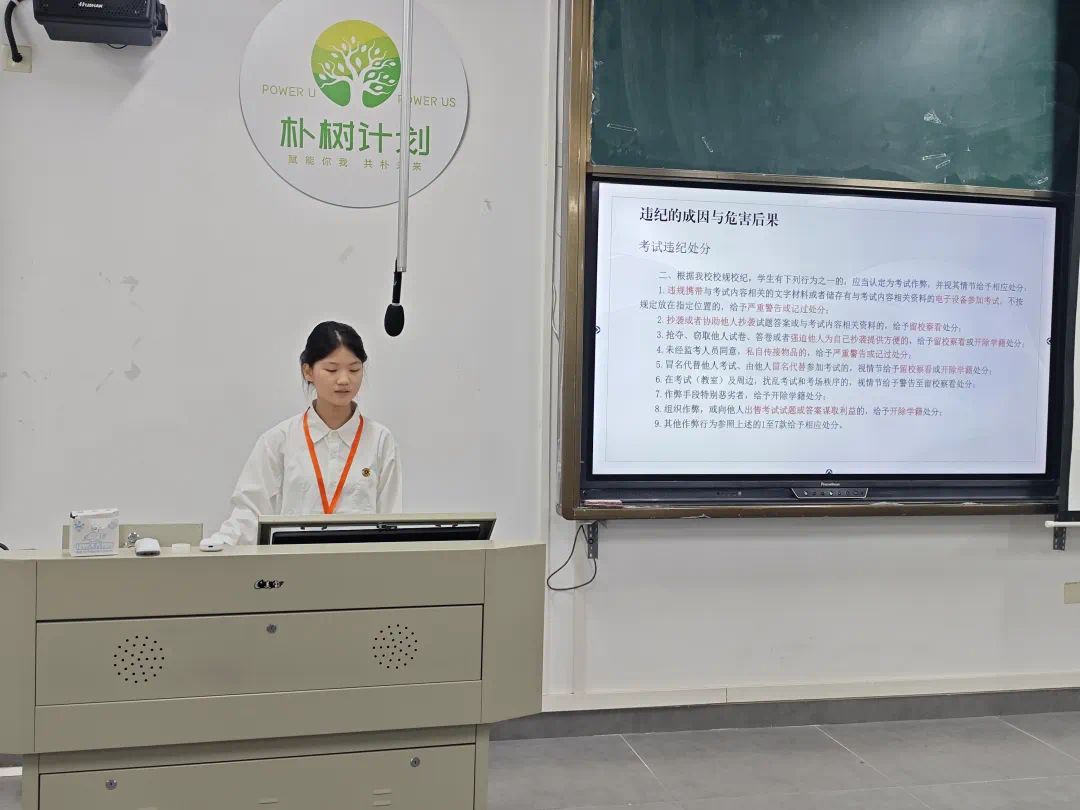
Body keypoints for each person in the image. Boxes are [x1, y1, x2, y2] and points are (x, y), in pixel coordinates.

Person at [206, 321, 402, 546]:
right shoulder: (279, 440)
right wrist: (221, 544)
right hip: (293, 563)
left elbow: (392, 520)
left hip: (361, 563)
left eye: (354, 369)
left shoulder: (380, 440)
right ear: (308, 371)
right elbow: (249, 513)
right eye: (331, 369)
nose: (344, 380)